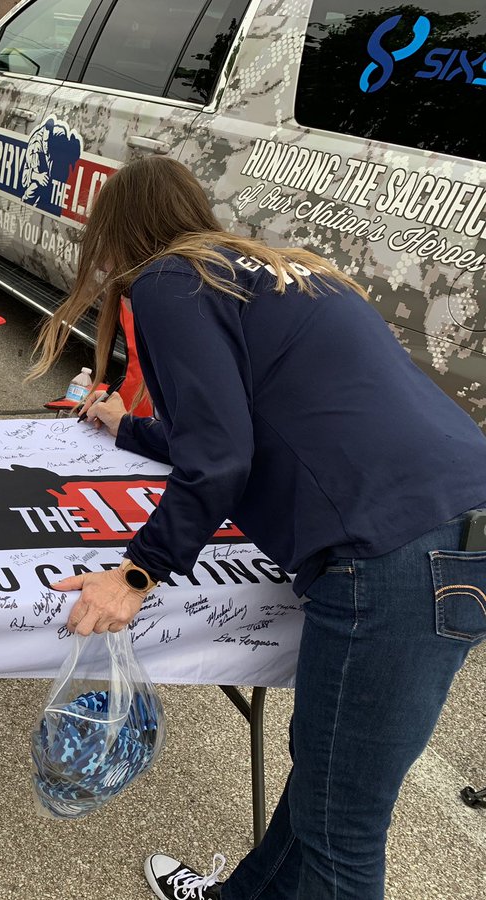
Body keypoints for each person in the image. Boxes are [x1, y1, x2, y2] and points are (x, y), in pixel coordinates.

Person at [29, 155, 486, 900]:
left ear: (116, 236)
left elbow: (221, 457)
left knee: (342, 832)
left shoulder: (170, 280)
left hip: (394, 552)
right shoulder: (270, 270)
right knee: (325, 780)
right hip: (454, 524)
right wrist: (133, 429)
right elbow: (240, 421)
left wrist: (137, 573)